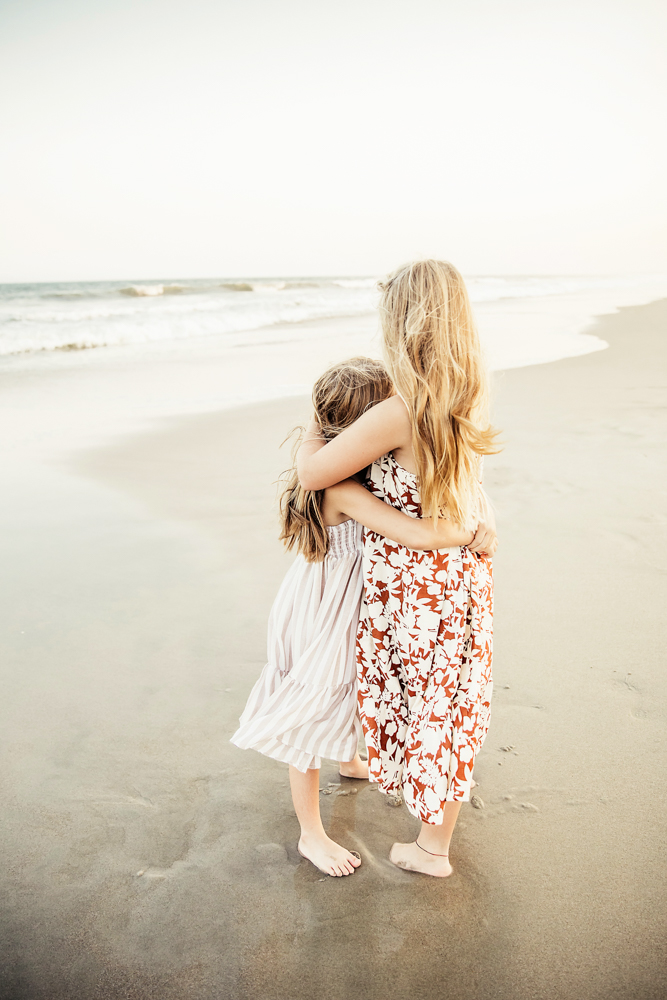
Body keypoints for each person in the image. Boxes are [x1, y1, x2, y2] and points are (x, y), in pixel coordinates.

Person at [232, 356, 485, 877]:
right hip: (326, 610)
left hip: (334, 599)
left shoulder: (352, 474)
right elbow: (417, 533)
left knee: (351, 688)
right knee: (312, 703)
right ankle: (311, 834)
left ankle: (349, 761)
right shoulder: (342, 491)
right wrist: (474, 533)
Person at [297, 261, 500, 878]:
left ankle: (431, 853)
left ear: (404, 323)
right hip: (462, 575)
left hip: (414, 581)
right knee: (449, 700)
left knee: (422, 697)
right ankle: (432, 841)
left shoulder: (399, 410)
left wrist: (312, 426)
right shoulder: (468, 398)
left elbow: (313, 475)